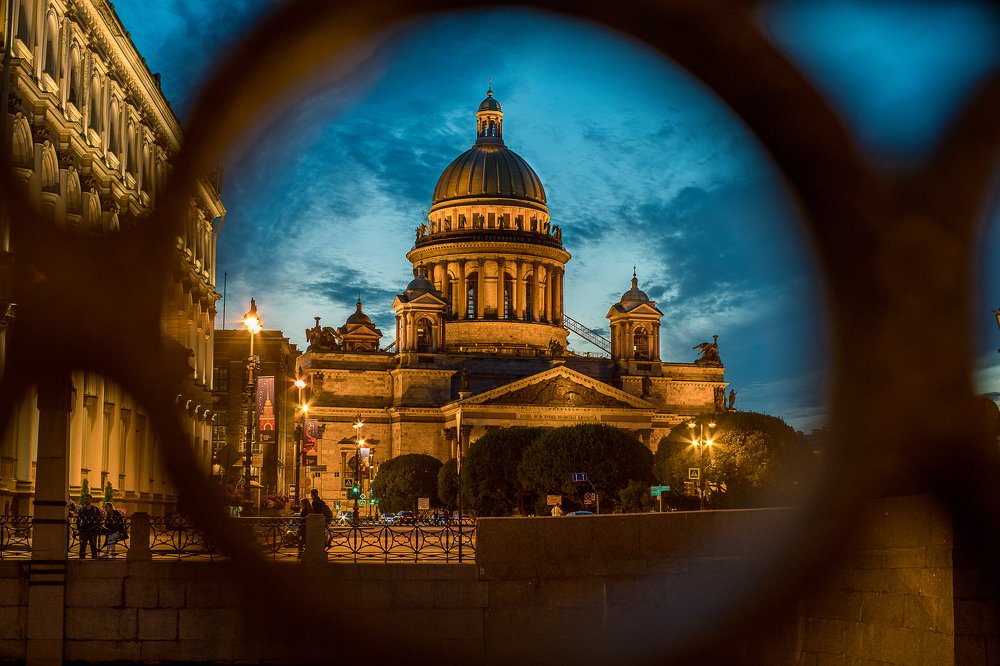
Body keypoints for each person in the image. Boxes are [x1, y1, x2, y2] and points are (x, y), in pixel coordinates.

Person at [76, 494, 102, 559]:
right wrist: (79, 528)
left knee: (93, 547)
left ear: (91, 500)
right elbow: (78, 519)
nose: (86, 500)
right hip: (84, 531)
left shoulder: (95, 509)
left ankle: (94, 560)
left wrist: (96, 527)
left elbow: (99, 519)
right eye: (85, 499)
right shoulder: (82, 509)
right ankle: (81, 560)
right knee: (82, 547)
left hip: (93, 531)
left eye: (87, 499)